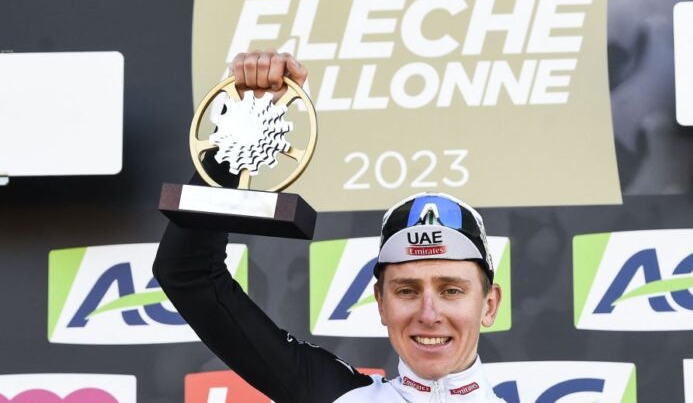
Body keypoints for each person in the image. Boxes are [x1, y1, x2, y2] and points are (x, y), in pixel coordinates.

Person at [153, 50, 505, 402]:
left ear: (489, 304)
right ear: (380, 303)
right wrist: (241, 134)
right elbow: (189, 273)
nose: (429, 314)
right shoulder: (333, 395)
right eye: (407, 291)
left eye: (451, 291)